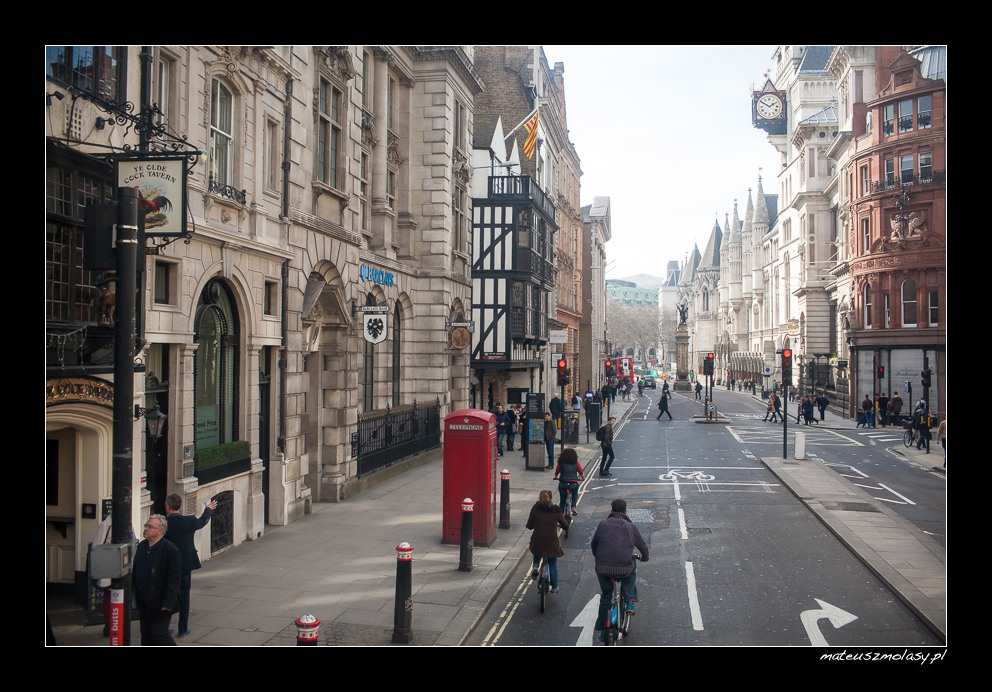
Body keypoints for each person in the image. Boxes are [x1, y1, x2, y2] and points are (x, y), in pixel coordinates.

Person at [590, 498, 649, 638]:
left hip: (602, 568)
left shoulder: (603, 524)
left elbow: (594, 544)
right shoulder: (630, 526)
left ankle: (603, 630)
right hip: (623, 568)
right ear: (626, 511)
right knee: (631, 570)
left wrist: (598, 557)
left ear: (611, 510)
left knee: (606, 596)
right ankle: (629, 601)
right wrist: (644, 558)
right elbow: (642, 546)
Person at [164, 494, 217, 638]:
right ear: (179, 507)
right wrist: (208, 509)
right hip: (185, 564)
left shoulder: (163, 525)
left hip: (169, 566)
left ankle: (164, 627)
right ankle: (182, 628)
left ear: (167, 506)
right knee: (185, 596)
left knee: (168, 595)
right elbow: (202, 522)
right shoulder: (189, 521)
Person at [131, 514, 182, 646]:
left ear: (160, 530)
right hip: (143, 598)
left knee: (158, 633)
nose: (146, 529)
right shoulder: (142, 546)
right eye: (146, 526)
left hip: (160, 600)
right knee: (146, 634)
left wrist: (168, 602)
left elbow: (174, 578)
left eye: (150, 527)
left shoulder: (170, 550)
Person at [526, 490, 569, 593]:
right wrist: (563, 525)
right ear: (551, 499)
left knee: (536, 549)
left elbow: (529, 525)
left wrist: (531, 526)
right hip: (551, 542)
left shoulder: (535, 509)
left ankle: (536, 566)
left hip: (538, 540)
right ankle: (554, 588)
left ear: (539, 498)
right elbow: (565, 525)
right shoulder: (556, 510)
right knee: (553, 564)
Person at [553, 447, 584, 516]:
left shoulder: (561, 462)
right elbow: (581, 472)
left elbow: (557, 471)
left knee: (562, 500)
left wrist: (556, 476)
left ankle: (560, 515)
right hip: (573, 483)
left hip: (563, 483)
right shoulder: (576, 462)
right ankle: (573, 507)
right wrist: (583, 477)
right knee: (575, 493)